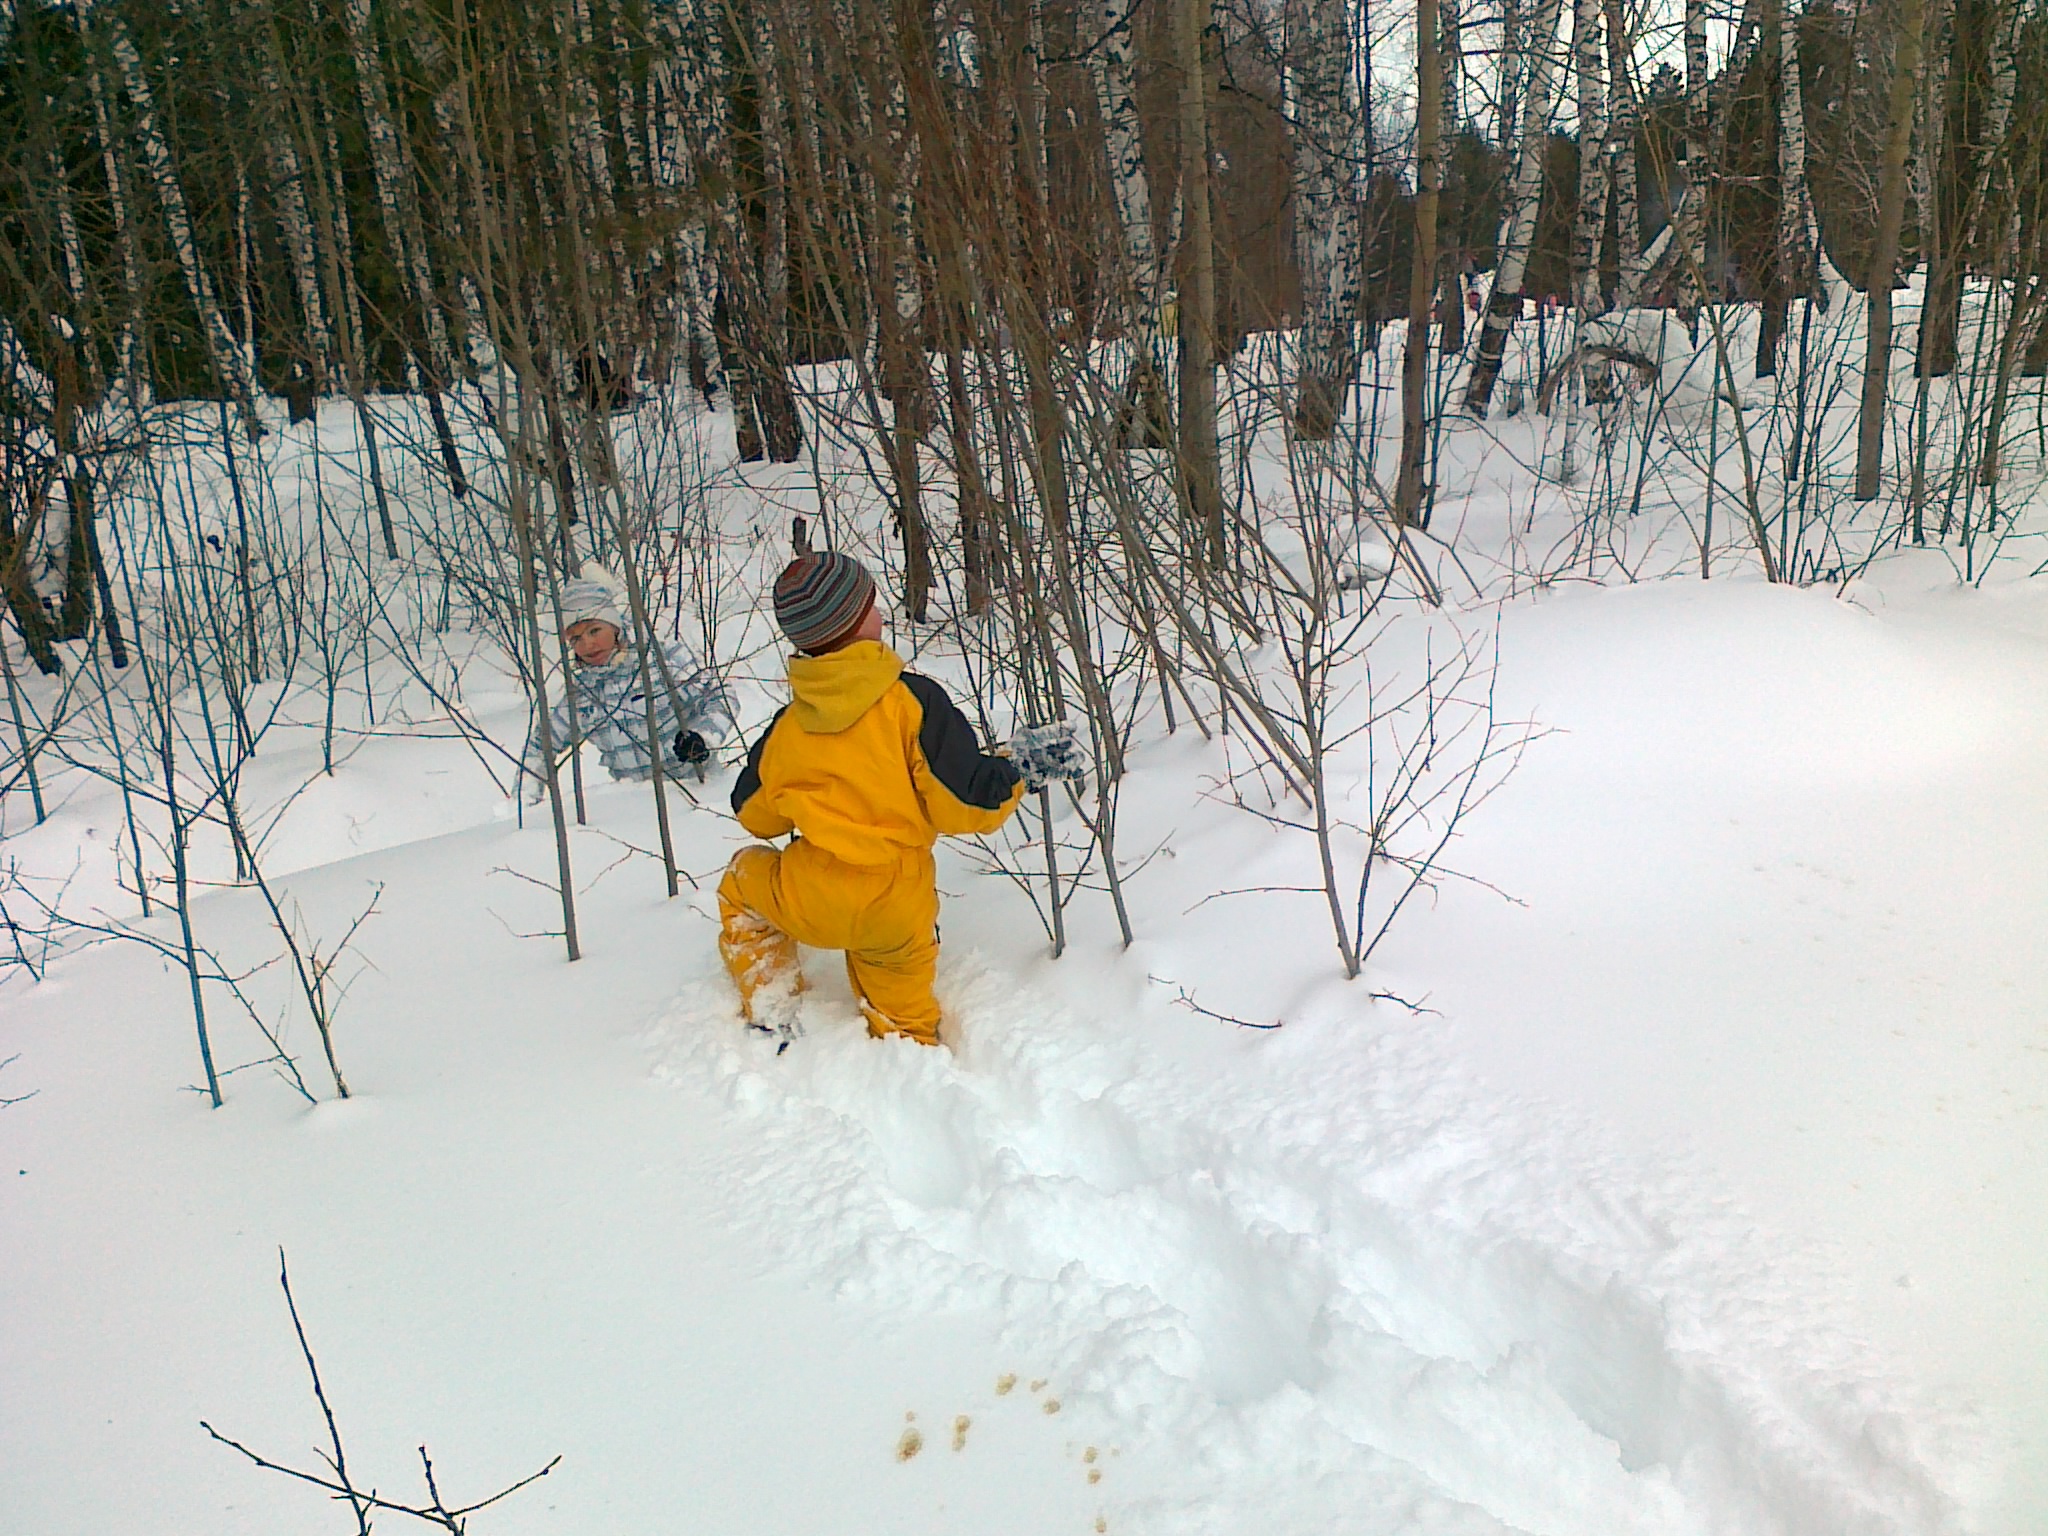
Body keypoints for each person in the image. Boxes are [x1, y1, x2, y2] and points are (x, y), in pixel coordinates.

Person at [718, 551, 1083, 1048]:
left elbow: (754, 816)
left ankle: (771, 1000)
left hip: (810, 898)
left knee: (743, 877)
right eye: (871, 605)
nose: (880, 613)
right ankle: (908, 1049)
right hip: (896, 906)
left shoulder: (788, 726)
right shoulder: (913, 702)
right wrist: (1016, 768)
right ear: (855, 621)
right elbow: (967, 806)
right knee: (904, 1018)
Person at [521, 573, 734, 802]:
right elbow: (540, 747)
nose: (587, 644)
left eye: (594, 631)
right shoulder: (582, 695)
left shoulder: (662, 659)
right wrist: (524, 805)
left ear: (614, 626)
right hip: (637, 805)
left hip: (700, 793)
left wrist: (703, 738)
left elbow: (721, 697)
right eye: (575, 639)